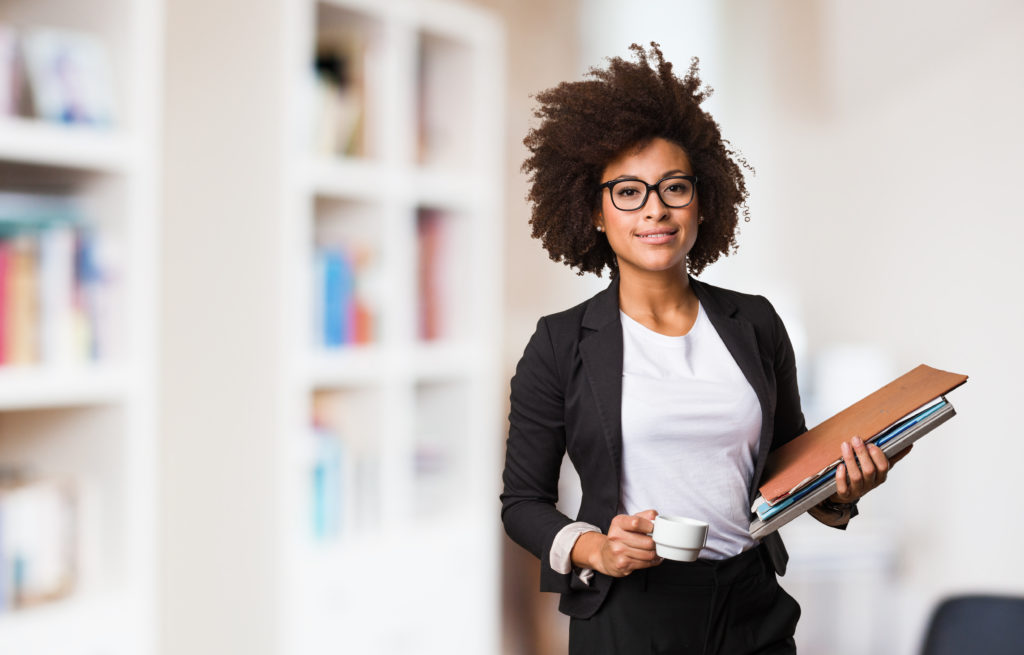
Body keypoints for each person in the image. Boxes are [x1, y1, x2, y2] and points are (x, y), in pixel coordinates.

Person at [500, 43, 904, 655]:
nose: (655, 210)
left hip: (750, 604)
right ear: (594, 212)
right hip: (630, 613)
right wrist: (596, 549)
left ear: (702, 198)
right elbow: (522, 503)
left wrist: (838, 494)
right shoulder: (561, 342)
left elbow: (784, 469)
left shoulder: (755, 322)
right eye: (628, 192)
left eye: (674, 188)